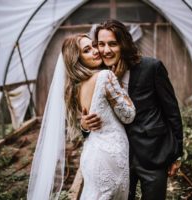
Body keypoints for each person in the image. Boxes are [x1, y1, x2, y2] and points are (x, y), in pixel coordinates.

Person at [81, 19, 183, 200]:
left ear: (124, 44)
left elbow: (172, 112)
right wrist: (84, 125)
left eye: (113, 44)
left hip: (153, 154)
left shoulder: (151, 67)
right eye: (101, 44)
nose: (106, 50)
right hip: (117, 159)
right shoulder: (97, 75)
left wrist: (176, 154)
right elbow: (88, 114)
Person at [27, 33, 136, 200]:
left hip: (91, 155)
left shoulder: (75, 89)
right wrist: (119, 83)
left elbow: (90, 119)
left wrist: (84, 126)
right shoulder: (105, 76)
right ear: (77, 59)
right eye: (87, 50)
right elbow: (128, 116)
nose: (95, 51)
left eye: (93, 46)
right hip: (110, 156)